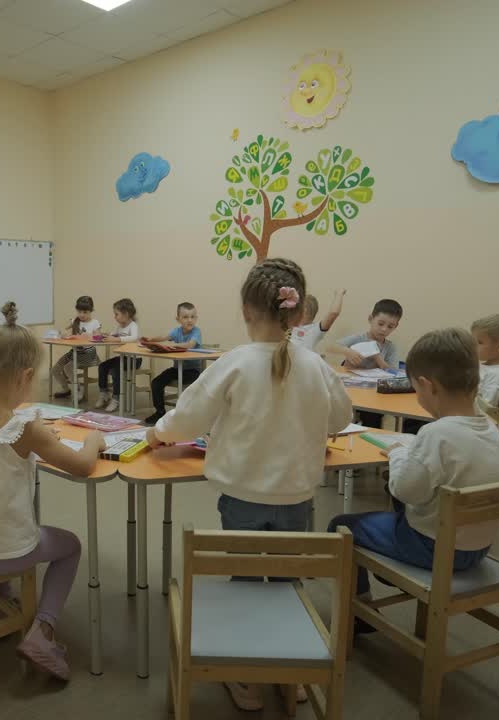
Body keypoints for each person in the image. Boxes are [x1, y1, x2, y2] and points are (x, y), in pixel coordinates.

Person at [147, 258, 352, 711]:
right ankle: (290, 671)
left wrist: (156, 433)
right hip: (297, 497)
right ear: (298, 315)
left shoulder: (234, 363)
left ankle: (247, 681)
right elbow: (341, 418)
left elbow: (187, 418)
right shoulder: (316, 365)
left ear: (245, 310)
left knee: (243, 582)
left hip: (240, 497)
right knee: (285, 583)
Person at [0, 302, 105, 681]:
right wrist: (95, 440)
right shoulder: (25, 427)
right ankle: (43, 631)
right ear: (26, 375)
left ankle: (2, 599)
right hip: (5, 554)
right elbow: (83, 466)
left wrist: (39, 437)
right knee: (69, 546)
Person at [326, 328, 499, 633]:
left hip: (438, 549)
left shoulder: (436, 433)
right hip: (478, 547)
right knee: (401, 505)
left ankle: (359, 613)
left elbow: (404, 489)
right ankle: (389, 573)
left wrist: (397, 453)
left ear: (427, 386)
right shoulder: (490, 428)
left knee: (342, 524)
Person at [336, 298, 404, 429]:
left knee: (372, 420)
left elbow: (393, 372)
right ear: (370, 319)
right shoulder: (359, 338)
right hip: (352, 391)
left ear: (396, 326)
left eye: (390, 326)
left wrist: (377, 356)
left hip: (374, 395)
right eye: (380, 324)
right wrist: (348, 352)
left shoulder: (390, 347)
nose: (384, 329)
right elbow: (332, 346)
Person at [141, 301, 204, 425]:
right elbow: (164, 336)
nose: (189, 320)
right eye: (185, 317)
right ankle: (160, 412)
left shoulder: (196, 331)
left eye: (192, 317)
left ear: (196, 318)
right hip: (177, 369)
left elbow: (189, 345)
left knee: (185, 387)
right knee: (156, 383)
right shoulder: (177, 331)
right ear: (178, 319)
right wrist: (151, 339)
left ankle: (183, 415)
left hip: (193, 371)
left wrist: (173, 345)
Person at [94, 298, 141, 413]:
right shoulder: (119, 326)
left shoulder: (133, 325)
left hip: (134, 359)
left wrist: (118, 338)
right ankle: (103, 393)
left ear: (126, 314)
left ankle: (116, 398)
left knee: (116, 370)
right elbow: (112, 335)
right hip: (122, 358)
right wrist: (103, 335)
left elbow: (134, 338)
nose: (115, 317)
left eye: (117, 314)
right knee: (103, 366)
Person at [51, 295, 101, 399]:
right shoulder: (75, 321)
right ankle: (65, 389)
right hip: (74, 351)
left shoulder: (94, 323)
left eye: (85, 312)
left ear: (91, 311)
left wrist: (85, 336)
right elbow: (65, 330)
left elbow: (98, 337)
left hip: (88, 353)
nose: (81, 315)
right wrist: (64, 334)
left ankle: (78, 389)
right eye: (79, 312)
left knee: (68, 367)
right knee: (55, 370)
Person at [291, 288, 345, 353]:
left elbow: (333, 313)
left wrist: (339, 294)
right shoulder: (289, 324)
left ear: (304, 311)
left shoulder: (316, 329)